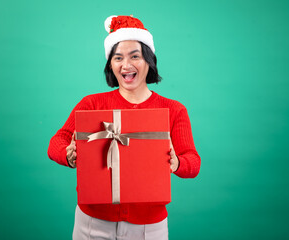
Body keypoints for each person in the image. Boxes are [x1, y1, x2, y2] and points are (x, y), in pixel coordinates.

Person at [48, 15, 201, 240]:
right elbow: (56, 142)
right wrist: (68, 154)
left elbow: (193, 162)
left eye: (135, 56)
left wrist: (177, 162)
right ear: (110, 64)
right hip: (92, 223)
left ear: (149, 60)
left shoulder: (173, 110)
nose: (126, 65)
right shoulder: (91, 104)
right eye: (118, 58)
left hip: (148, 228)